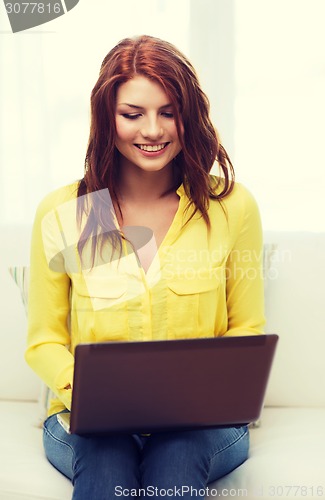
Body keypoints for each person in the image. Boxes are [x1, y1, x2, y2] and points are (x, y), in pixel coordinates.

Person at [25, 35, 265, 499]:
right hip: (89, 421)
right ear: (106, 119)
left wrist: (206, 396)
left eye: (168, 111)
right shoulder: (72, 211)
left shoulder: (229, 206)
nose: (152, 130)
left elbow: (247, 328)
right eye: (132, 114)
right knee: (104, 460)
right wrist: (88, 393)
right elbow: (44, 341)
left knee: (173, 462)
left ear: (188, 114)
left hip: (201, 425)